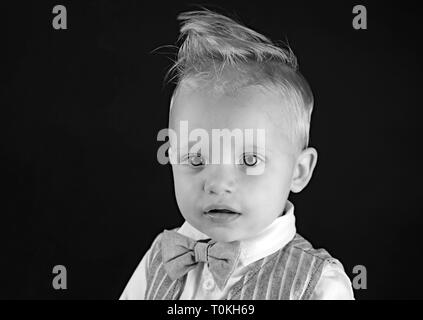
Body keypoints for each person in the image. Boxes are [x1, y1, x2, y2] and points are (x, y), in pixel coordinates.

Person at [120, 9, 354, 300]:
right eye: (195, 159)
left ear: (299, 171)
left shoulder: (317, 283)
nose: (217, 183)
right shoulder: (161, 258)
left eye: (250, 160)